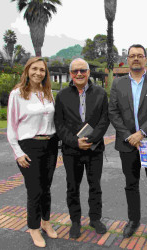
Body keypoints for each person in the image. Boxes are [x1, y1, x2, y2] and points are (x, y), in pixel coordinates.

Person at [108, 44, 147, 239]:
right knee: (131, 184)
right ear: (127, 59)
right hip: (127, 144)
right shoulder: (118, 84)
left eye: (139, 55)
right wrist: (129, 135)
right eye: (132, 55)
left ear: (145, 59)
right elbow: (113, 112)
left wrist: (141, 133)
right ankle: (133, 220)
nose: (136, 58)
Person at [54, 58, 110, 238]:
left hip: (95, 149)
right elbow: (59, 124)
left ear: (88, 72)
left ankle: (95, 218)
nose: (79, 74)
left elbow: (104, 119)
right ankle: (75, 221)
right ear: (70, 74)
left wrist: (92, 139)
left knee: (95, 186)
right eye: (75, 71)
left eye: (83, 70)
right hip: (72, 150)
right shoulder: (62, 95)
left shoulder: (101, 93)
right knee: (73, 187)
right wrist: (74, 141)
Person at [7, 57, 58, 248]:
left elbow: (53, 122)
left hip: (50, 145)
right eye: (34, 69)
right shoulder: (17, 94)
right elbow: (11, 128)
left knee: (46, 188)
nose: (38, 73)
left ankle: (46, 222)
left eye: (42, 70)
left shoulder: (48, 93)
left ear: (46, 73)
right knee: (34, 189)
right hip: (29, 147)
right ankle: (34, 228)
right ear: (27, 71)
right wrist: (18, 152)